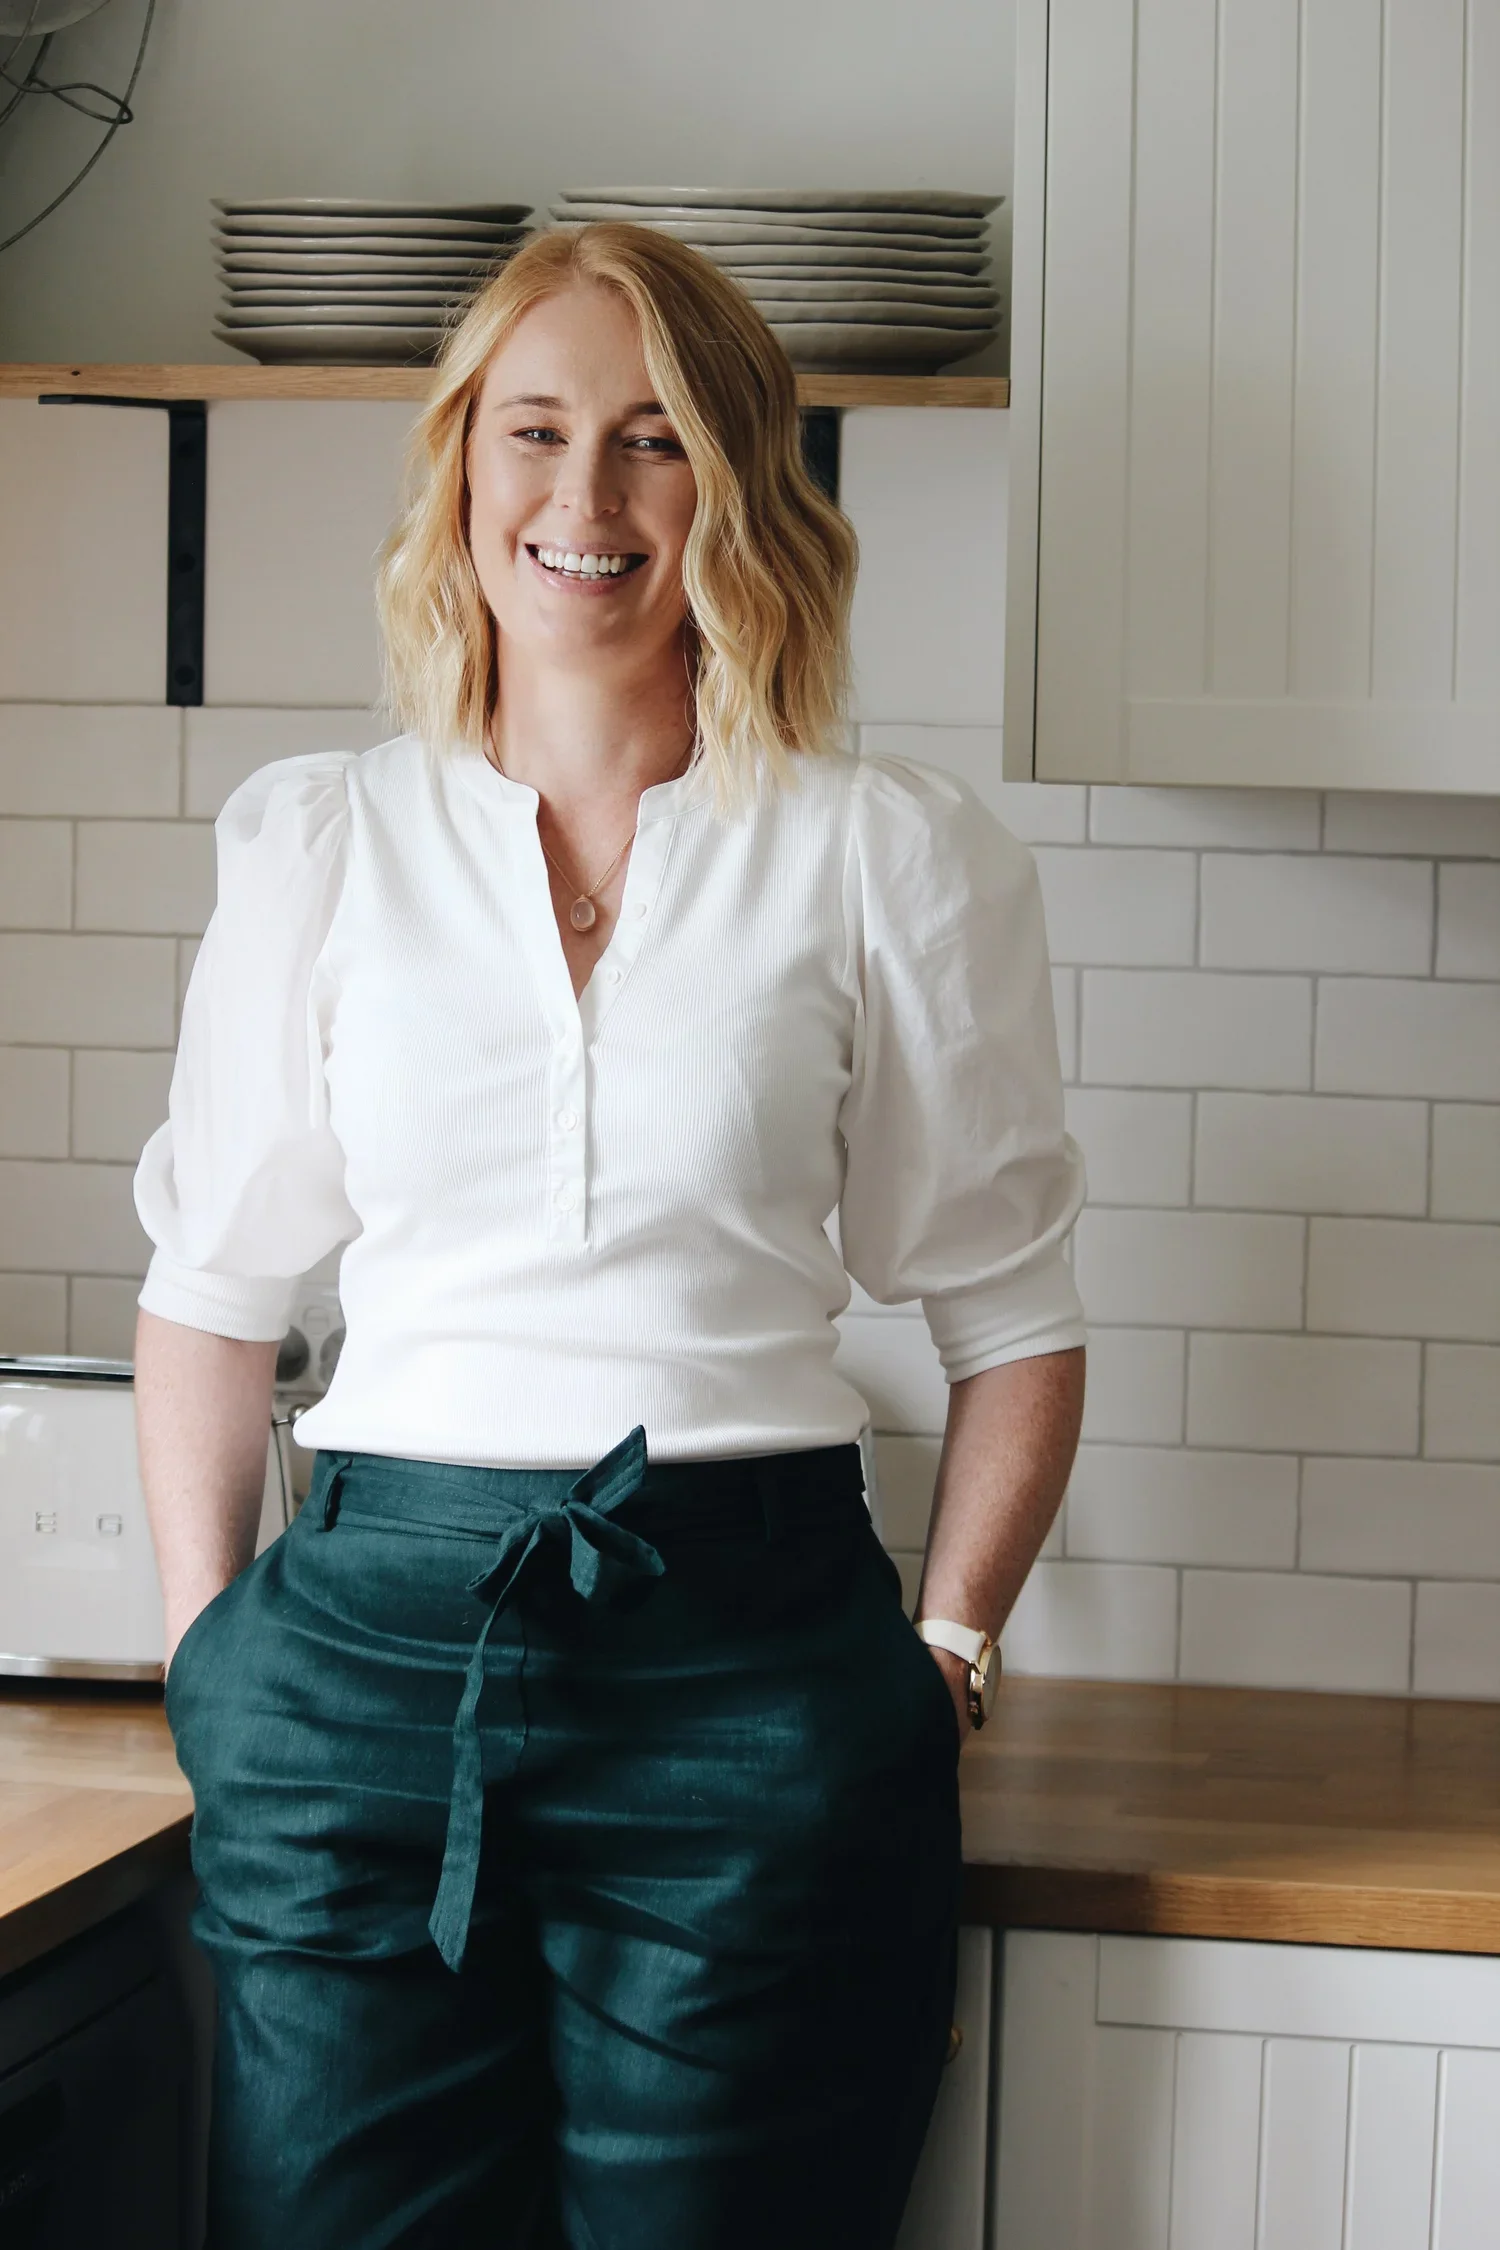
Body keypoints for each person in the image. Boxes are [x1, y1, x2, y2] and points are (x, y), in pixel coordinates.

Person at [132, 220, 1087, 2250]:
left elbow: (1013, 1317)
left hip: (758, 1678)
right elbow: (210, 1289)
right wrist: (218, 1659)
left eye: (655, 440)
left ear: (734, 490)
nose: (587, 495)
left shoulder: (883, 854)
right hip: (359, 1671)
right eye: (537, 429)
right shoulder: (322, 842)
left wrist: (942, 1662)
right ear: (462, 467)